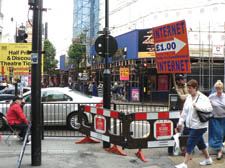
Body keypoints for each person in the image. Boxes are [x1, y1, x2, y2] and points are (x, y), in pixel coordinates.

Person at [175, 79, 213, 168]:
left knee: (190, 143)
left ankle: (184, 164)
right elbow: (184, 112)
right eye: (188, 88)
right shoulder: (188, 97)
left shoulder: (203, 97)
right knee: (200, 143)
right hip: (191, 125)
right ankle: (208, 159)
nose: (188, 90)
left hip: (199, 125)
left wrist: (197, 107)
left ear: (195, 88)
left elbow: (210, 108)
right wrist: (180, 123)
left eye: (190, 88)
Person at [208, 80, 225, 160]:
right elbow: (206, 105)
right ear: (215, 89)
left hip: (223, 118)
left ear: (223, 88)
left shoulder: (224, 96)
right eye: (218, 88)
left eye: (220, 88)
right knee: (218, 134)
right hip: (214, 119)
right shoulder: (211, 96)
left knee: (221, 135)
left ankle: (220, 149)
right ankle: (219, 151)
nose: (219, 90)